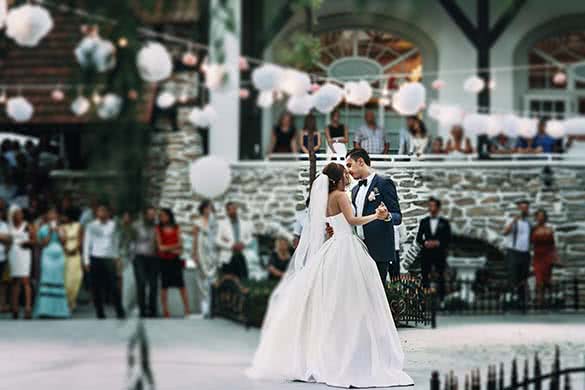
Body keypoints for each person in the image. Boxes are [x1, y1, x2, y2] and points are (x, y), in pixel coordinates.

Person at [247, 163, 413, 388]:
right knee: (356, 301)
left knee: (333, 301)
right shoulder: (342, 195)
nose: (348, 175)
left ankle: (330, 352)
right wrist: (376, 215)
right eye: (344, 173)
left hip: (334, 246)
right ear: (337, 179)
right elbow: (353, 222)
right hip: (347, 247)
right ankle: (354, 354)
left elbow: (333, 223)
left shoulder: (325, 199)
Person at [343, 148, 402, 285]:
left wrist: (386, 216)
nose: (349, 170)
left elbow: (397, 216)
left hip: (379, 250)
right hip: (358, 249)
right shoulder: (355, 190)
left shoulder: (384, 182)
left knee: (377, 294)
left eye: (349, 165)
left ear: (361, 162)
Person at [83, 203, 126, 319]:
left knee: (114, 286)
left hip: (110, 258)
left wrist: (117, 257)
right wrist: (86, 260)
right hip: (95, 257)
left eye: (104, 211)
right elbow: (87, 243)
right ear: (96, 213)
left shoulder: (114, 225)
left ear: (108, 213)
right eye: (99, 211)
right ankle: (99, 312)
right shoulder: (91, 226)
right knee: (96, 287)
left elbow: (116, 242)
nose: (102, 213)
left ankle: (119, 310)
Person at [33, 207, 70, 318]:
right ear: (47, 216)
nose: (52, 216)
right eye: (50, 214)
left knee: (58, 280)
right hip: (47, 256)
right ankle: (45, 310)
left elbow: (64, 242)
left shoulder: (62, 228)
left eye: (54, 214)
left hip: (59, 258)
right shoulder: (42, 228)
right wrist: (49, 231)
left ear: (57, 216)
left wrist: (58, 231)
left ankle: (59, 311)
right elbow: (43, 243)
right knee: (47, 279)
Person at [415, 197, 452, 302]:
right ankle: (424, 300)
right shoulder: (424, 221)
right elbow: (419, 238)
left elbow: (448, 238)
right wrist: (425, 243)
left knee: (441, 276)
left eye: (433, 206)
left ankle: (442, 300)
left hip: (439, 253)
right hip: (426, 253)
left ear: (438, 208)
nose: (430, 208)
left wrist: (438, 243)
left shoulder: (444, 223)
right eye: (429, 206)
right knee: (425, 276)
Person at [156, 208, 190, 318]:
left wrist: (169, 248)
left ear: (169, 216)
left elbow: (181, 245)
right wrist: (174, 248)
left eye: (164, 215)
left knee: (181, 285)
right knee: (164, 286)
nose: (162, 218)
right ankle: (166, 311)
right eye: (160, 216)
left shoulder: (177, 227)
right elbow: (160, 247)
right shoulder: (158, 228)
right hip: (163, 261)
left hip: (176, 260)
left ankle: (187, 310)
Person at [502, 200, 532, 309]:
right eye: (523, 208)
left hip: (525, 253)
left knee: (523, 278)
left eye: (526, 208)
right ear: (519, 209)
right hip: (513, 252)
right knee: (513, 277)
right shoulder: (512, 220)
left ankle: (521, 301)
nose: (525, 210)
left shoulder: (529, 223)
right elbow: (504, 232)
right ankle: (511, 300)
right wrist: (514, 221)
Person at [8, 205, 35, 319]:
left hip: (24, 253)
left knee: (25, 279)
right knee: (15, 280)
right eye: (17, 213)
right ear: (12, 215)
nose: (19, 215)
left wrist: (27, 242)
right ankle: (14, 307)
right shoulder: (9, 227)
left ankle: (28, 308)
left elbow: (34, 239)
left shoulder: (26, 225)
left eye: (20, 213)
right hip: (13, 253)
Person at [192, 200, 219, 317]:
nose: (210, 210)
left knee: (213, 279)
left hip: (212, 251)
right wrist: (194, 254)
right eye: (208, 208)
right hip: (201, 251)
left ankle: (214, 306)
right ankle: (204, 307)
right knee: (202, 278)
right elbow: (194, 239)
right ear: (203, 209)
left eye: (211, 208)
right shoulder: (197, 222)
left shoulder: (215, 222)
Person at [133, 206, 160, 318]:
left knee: (154, 284)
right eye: (149, 214)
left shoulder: (157, 226)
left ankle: (153, 310)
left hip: (154, 258)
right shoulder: (136, 226)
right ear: (145, 215)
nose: (151, 216)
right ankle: (142, 310)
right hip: (140, 257)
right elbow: (131, 242)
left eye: (153, 214)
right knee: (141, 283)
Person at [216, 202, 254, 280]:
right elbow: (217, 240)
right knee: (228, 281)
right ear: (227, 211)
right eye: (231, 209)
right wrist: (231, 246)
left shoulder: (245, 223)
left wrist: (243, 244)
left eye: (235, 209)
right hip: (227, 256)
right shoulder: (221, 224)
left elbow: (250, 238)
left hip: (241, 255)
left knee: (243, 279)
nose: (234, 211)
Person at [531, 209, 558, 307]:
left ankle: (549, 298)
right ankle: (540, 300)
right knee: (539, 280)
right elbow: (529, 243)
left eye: (542, 216)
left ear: (545, 218)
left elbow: (553, 245)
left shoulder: (549, 230)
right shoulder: (533, 229)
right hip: (538, 257)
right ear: (536, 217)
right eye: (538, 216)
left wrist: (555, 257)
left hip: (547, 256)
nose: (540, 218)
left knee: (547, 280)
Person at [60, 208, 84, 312]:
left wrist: (75, 248)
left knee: (77, 278)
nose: (63, 218)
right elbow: (61, 240)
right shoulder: (61, 227)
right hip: (65, 254)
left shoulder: (78, 226)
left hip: (76, 254)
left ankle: (72, 300)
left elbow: (80, 239)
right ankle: (67, 302)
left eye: (65, 215)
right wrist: (66, 249)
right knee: (66, 280)